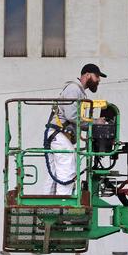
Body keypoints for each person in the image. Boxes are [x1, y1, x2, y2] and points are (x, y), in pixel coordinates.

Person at [42, 64, 106, 195]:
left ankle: (49, 200)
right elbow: (72, 116)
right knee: (67, 165)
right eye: (97, 76)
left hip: (56, 134)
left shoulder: (78, 91)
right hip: (58, 134)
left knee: (54, 171)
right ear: (87, 75)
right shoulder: (73, 89)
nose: (99, 80)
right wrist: (95, 122)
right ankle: (63, 203)